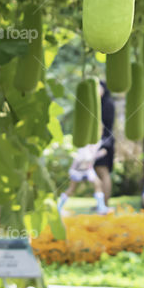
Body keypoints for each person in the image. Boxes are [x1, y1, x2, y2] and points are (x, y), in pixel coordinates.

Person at [58, 142, 110, 214]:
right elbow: (85, 156)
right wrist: (99, 154)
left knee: (98, 184)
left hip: (88, 169)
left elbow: (92, 155)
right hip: (78, 169)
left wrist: (99, 153)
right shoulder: (86, 142)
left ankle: (101, 207)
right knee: (72, 189)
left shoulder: (98, 141)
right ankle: (59, 207)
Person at [93, 81, 116, 209]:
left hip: (105, 142)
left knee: (103, 171)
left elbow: (105, 126)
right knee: (99, 172)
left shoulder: (107, 104)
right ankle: (102, 204)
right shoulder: (100, 103)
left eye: (98, 87)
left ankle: (105, 204)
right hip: (101, 142)